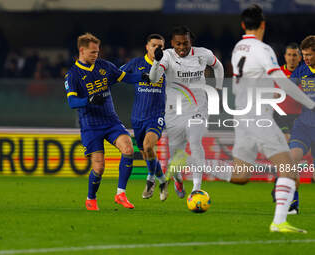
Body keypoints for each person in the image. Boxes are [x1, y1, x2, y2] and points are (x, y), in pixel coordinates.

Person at [230, 5, 315, 233]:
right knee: (289, 171)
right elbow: (282, 80)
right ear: (263, 24)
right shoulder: (262, 48)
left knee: (240, 176)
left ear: (242, 25)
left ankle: (189, 163)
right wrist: (310, 103)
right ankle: (279, 222)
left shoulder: (239, 47)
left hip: (242, 114)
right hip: (258, 116)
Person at [64, 33, 150, 211]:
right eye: (92, 52)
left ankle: (120, 194)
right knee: (99, 166)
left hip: (111, 121)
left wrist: (143, 77)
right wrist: (89, 100)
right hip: (91, 125)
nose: (96, 55)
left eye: (97, 52)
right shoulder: (72, 75)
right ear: (82, 50)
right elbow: (72, 102)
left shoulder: (104, 66)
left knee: (128, 148)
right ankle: (91, 198)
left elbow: (125, 77)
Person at [149, 26, 224, 198]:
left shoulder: (203, 54)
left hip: (198, 107)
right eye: (178, 44)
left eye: (185, 43)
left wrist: (218, 89)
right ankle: (178, 179)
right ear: (172, 44)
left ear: (191, 42)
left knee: (195, 141)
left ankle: (196, 189)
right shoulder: (166, 55)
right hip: (174, 111)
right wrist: (156, 62)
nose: (182, 47)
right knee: (176, 156)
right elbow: (153, 79)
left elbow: (218, 66)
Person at [120, 34, 169, 201]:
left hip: (156, 116)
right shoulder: (136, 63)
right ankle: (162, 180)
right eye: (154, 45)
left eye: (161, 46)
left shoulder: (167, 65)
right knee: (146, 152)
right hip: (138, 117)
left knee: (148, 146)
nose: (157, 49)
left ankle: (150, 179)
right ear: (147, 47)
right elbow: (118, 75)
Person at [271, 43, 302, 215]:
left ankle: (282, 188)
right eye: (289, 54)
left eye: (295, 55)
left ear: (300, 57)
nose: (292, 58)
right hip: (280, 117)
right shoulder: (276, 74)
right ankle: (291, 200)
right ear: (285, 56)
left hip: (300, 119)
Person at [288, 36, 315, 184]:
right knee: (291, 162)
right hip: (303, 126)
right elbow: (287, 92)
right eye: (303, 55)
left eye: (309, 54)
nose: (305, 58)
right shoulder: (300, 71)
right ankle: (293, 206)